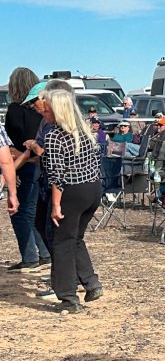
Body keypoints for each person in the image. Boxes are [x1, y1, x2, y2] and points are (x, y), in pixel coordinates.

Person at [42, 89, 104, 314]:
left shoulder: (55, 136)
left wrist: (56, 206)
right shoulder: (85, 129)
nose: (44, 111)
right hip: (92, 189)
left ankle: (68, 298)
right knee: (75, 238)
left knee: (62, 243)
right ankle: (91, 283)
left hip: (72, 192)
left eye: (47, 107)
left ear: (57, 110)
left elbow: (57, 176)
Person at [4, 68, 50, 271]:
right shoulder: (41, 112)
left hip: (23, 164)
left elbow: (12, 145)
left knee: (20, 213)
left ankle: (30, 256)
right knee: (33, 212)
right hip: (41, 164)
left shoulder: (15, 110)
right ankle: (44, 253)